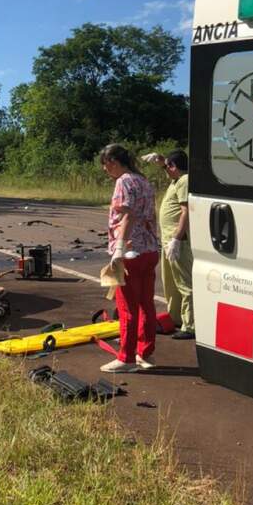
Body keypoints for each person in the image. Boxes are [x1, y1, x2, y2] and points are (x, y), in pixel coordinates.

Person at [99, 143, 160, 373]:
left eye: (106, 165)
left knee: (127, 307)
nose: (106, 170)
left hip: (131, 251)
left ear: (113, 161)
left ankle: (126, 358)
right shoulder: (143, 180)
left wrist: (119, 249)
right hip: (149, 249)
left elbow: (127, 216)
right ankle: (145, 352)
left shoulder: (123, 182)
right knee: (146, 303)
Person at [153, 149, 195, 340]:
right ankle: (176, 317)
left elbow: (185, 211)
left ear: (174, 166)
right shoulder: (177, 180)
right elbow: (170, 171)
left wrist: (178, 238)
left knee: (184, 283)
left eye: (168, 166)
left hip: (177, 241)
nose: (166, 170)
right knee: (170, 282)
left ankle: (190, 324)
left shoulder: (184, 181)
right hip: (168, 240)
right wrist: (162, 162)